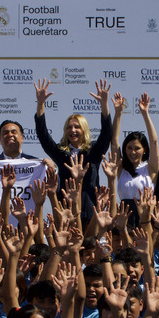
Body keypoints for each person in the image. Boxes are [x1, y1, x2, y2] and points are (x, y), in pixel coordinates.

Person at [33, 78, 118, 221]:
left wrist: (104, 105)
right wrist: (40, 104)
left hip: (91, 212)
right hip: (66, 212)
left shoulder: (94, 151)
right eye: (69, 127)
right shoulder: (60, 153)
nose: (73, 130)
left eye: (77, 127)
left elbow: (107, 133)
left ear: (84, 130)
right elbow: (43, 135)